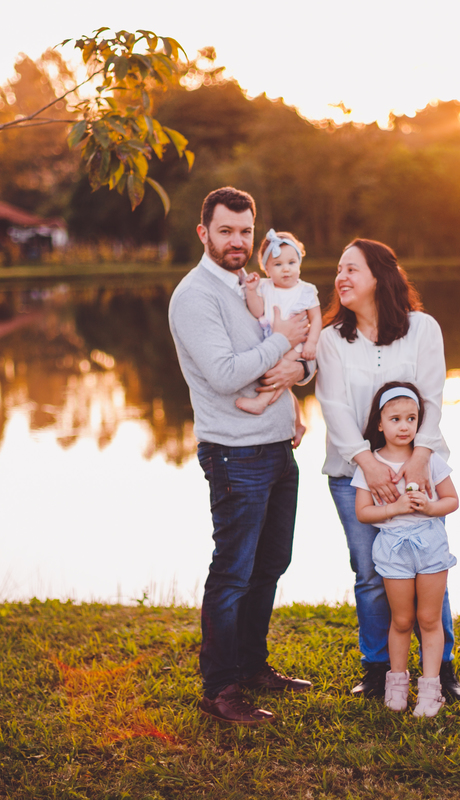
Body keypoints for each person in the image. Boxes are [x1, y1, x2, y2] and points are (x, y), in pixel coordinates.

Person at [168, 187, 316, 725]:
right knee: (232, 572)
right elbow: (228, 374)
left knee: (271, 563)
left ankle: (253, 667)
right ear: (204, 232)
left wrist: (299, 368)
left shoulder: (255, 284)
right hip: (235, 455)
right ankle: (220, 689)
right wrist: (280, 343)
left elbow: (303, 351)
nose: (237, 241)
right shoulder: (194, 297)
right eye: (226, 230)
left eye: (246, 231)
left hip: (278, 448)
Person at [315, 238, 460, 703]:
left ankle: (440, 673)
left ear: (380, 277)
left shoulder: (422, 329)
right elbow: (334, 405)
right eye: (338, 270)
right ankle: (379, 669)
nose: (340, 277)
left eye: (351, 269)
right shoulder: (330, 339)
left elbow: (433, 395)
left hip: (417, 468)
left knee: (429, 566)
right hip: (353, 474)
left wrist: (421, 457)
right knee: (370, 572)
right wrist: (367, 461)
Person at [353, 381, 459, 717]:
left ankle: (431, 690)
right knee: (401, 620)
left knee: (429, 618)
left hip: (429, 547)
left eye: (411, 419)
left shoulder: (429, 460)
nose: (404, 426)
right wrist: (395, 509)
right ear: (380, 424)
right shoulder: (371, 465)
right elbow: (363, 512)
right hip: (392, 551)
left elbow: (452, 500)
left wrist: (429, 508)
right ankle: (395, 686)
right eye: (395, 419)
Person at [236, 229, 321, 448]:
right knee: (283, 381)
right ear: (266, 268)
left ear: (299, 264)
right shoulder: (265, 287)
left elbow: (316, 319)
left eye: (292, 263)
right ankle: (298, 422)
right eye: (278, 265)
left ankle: (261, 402)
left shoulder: (306, 290)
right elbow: (257, 311)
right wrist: (252, 291)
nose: (286, 269)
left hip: (298, 345)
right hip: (272, 341)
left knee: (278, 371)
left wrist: (311, 343)